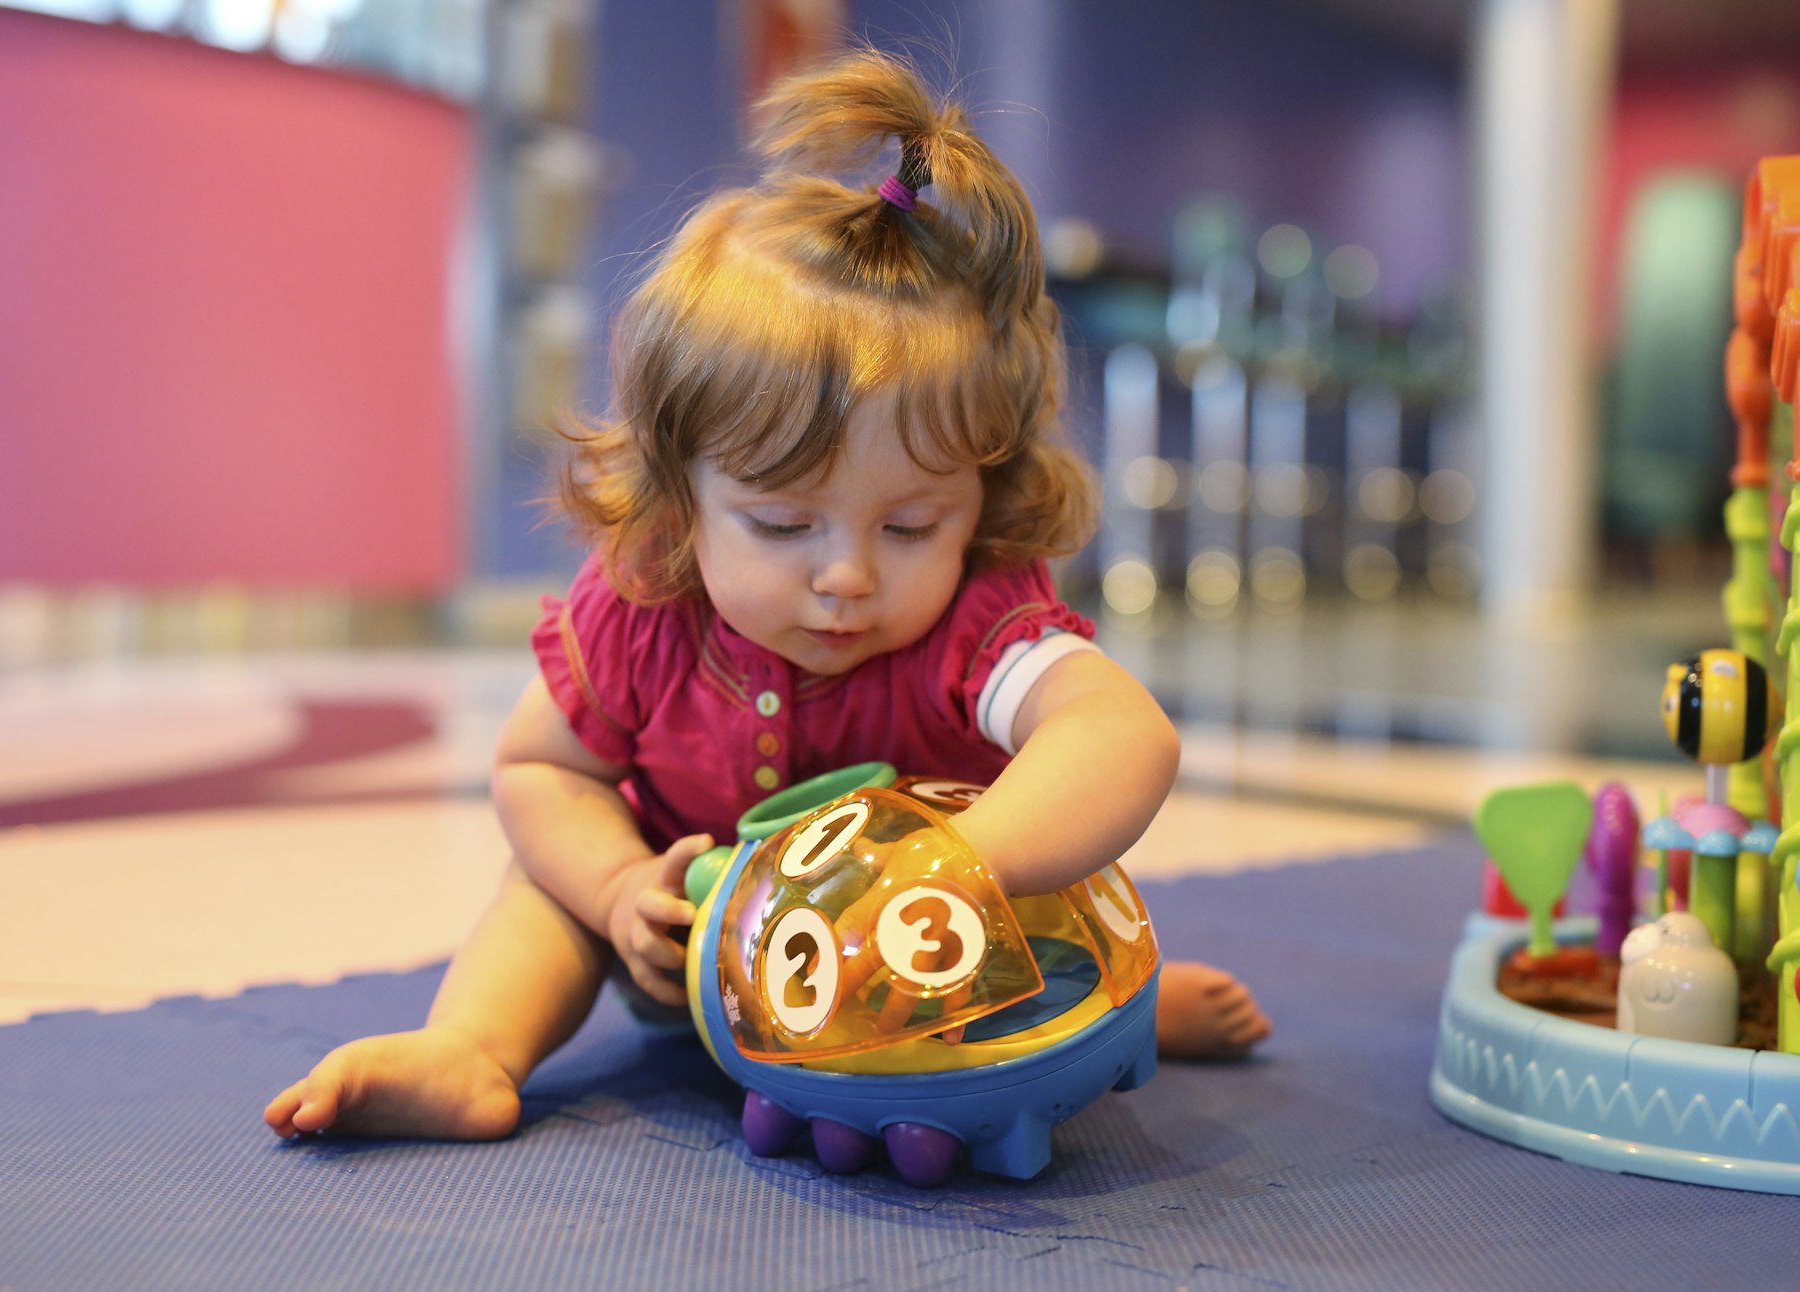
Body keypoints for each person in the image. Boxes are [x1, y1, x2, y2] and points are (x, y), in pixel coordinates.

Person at [264, 49, 1269, 1143]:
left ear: (981, 498)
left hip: (921, 956)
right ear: (677, 501)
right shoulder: (645, 603)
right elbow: (538, 766)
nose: (846, 574)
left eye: (910, 524)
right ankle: (468, 1050)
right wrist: (610, 886)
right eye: (783, 525)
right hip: (688, 943)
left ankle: (1103, 1012)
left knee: (1053, 887)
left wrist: (965, 868)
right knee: (542, 893)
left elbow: (1121, 733)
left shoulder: (978, 624)